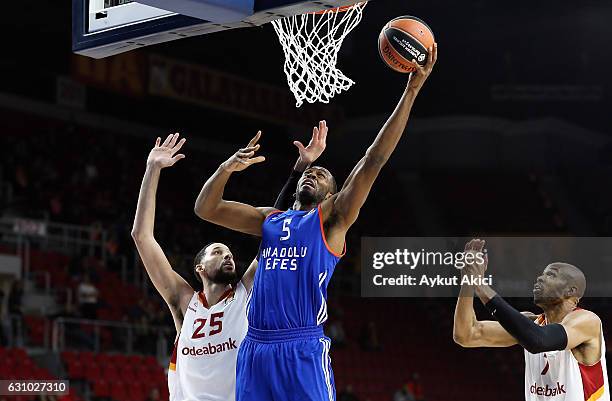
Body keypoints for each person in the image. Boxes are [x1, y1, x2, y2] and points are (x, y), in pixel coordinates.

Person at [194, 44, 437, 401]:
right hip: (255, 347)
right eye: (311, 172)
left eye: (323, 175)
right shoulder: (271, 220)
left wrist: (411, 90)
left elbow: (374, 159)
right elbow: (206, 209)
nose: (314, 174)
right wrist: (226, 168)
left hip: (301, 348)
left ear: (331, 196)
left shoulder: (332, 221)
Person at [132, 132, 326, 401]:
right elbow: (141, 236)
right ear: (199, 267)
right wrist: (152, 169)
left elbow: (277, 230)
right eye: (217, 251)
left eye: (229, 253)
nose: (228, 256)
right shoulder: (184, 303)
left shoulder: (244, 296)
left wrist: (299, 170)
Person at [453, 239, 609, 401]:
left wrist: (480, 285)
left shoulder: (587, 321)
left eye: (550, 274)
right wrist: (468, 281)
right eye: (542, 273)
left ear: (571, 291)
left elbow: (538, 340)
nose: (540, 278)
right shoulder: (530, 324)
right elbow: (467, 334)